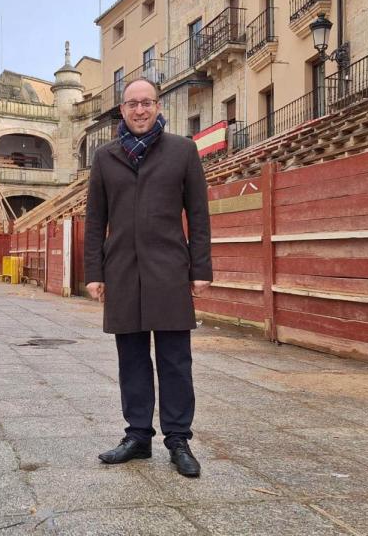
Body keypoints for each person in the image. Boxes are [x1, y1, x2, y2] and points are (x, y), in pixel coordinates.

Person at [84, 77, 212, 478]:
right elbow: (95, 220)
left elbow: (199, 214)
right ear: (122, 110)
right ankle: (138, 436)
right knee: (132, 359)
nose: (139, 110)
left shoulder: (182, 151)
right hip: (122, 271)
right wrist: (94, 273)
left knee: (176, 360)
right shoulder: (105, 157)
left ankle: (178, 440)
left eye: (146, 102)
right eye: (132, 104)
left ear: (158, 106)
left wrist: (201, 269)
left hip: (170, 270)